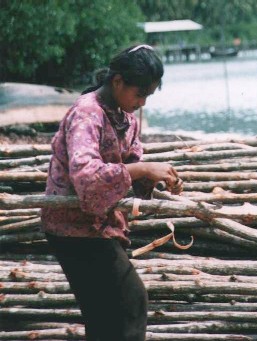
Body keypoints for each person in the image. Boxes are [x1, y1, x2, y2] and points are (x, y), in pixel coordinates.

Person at [40, 44, 182, 341]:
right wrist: (143, 171)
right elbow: (87, 179)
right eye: (139, 93)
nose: (142, 102)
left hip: (96, 226)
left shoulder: (124, 117)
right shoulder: (86, 114)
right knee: (131, 302)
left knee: (105, 316)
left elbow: (132, 166)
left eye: (148, 96)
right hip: (72, 227)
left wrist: (156, 180)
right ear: (117, 81)